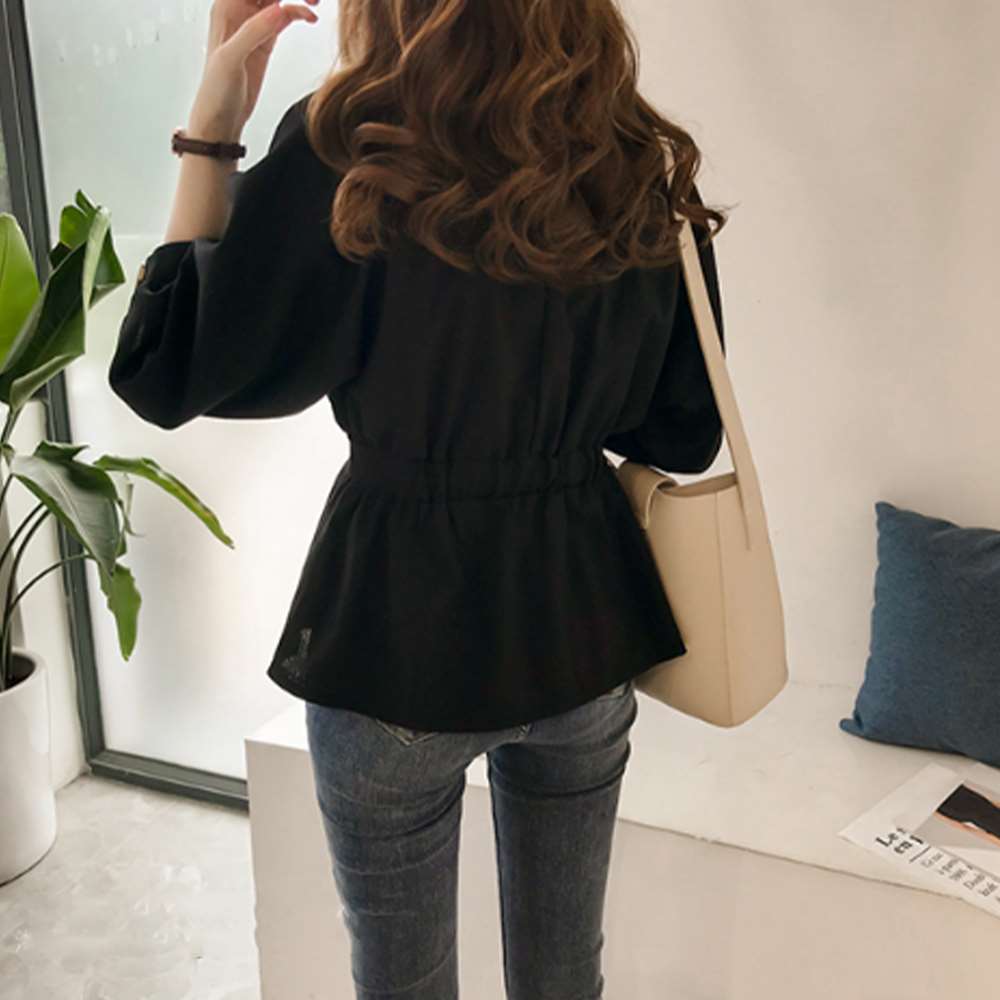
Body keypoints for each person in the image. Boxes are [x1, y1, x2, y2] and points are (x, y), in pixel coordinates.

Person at [109, 1, 729, 997]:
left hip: (394, 639)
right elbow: (680, 432)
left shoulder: (350, 145)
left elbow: (167, 368)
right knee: (566, 977)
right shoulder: (626, 155)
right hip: (584, 630)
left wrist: (213, 125)